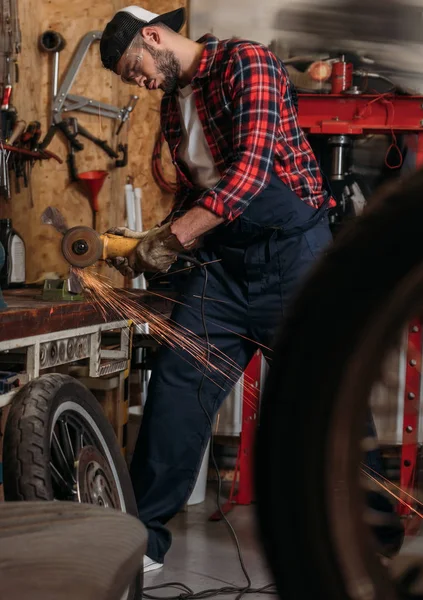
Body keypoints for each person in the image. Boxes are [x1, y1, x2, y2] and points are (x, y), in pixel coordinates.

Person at [100, 5, 402, 572]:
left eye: (133, 67)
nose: (137, 82)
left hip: (291, 256)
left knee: (328, 395)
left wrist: (175, 238)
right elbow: (201, 190)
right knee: (176, 384)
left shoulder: (248, 64)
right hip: (224, 265)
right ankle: (144, 541)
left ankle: (369, 539)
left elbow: (250, 171)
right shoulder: (172, 107)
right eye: (129, 79)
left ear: (154, 36)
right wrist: (156, 237)